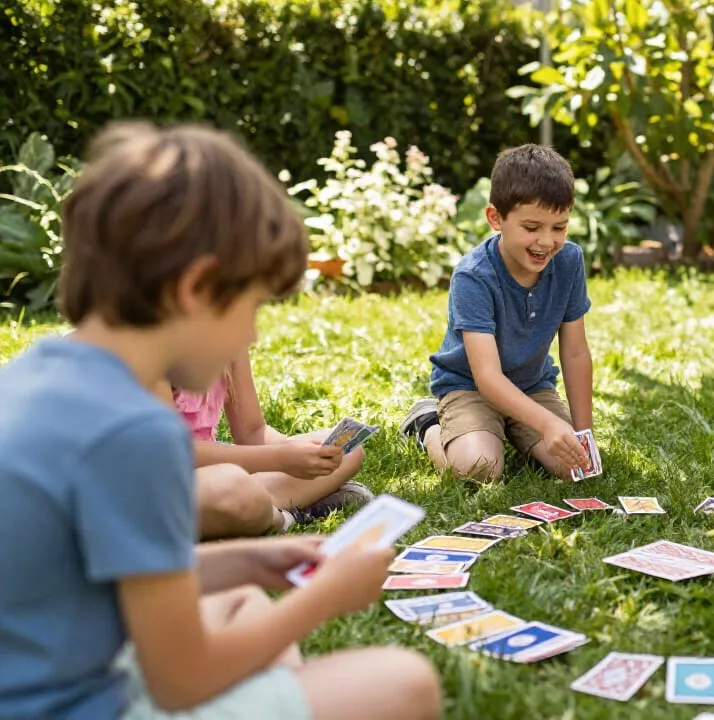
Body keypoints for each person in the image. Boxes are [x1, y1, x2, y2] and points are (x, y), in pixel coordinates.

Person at [0, 121, 440, 720]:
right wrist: (324, 599)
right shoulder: (136, 432)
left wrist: (256, 561)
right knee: (404, 682)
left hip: (63, 660)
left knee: (241, 598)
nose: (252, 333)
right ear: (197, 288)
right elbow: (182, 680)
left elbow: (98, 573)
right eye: (251, 307)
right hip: (79, 702)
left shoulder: (39, 372)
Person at [399, 144, 593, 480]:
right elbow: (487, 377)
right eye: (532, 228)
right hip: (471, 388)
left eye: (559, 227)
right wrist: (548, 423)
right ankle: (428, 425)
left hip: (532, 387)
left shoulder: (570, 261)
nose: (546, 241)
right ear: (495, 218)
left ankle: (514, 431)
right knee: (479, 469)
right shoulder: (474, 276)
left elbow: (575, 353)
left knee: (572, 469)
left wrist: (582, 435)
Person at [158, 350, 373, 540]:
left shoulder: (229, 342)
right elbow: (173, 453)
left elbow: (252, 432)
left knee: (350, 453)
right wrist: (280, 458)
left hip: (219, 473)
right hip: (162, 487)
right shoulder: (151, 357)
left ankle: (257, 510)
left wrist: (302, 454)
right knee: (232, 488)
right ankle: (282, 517)